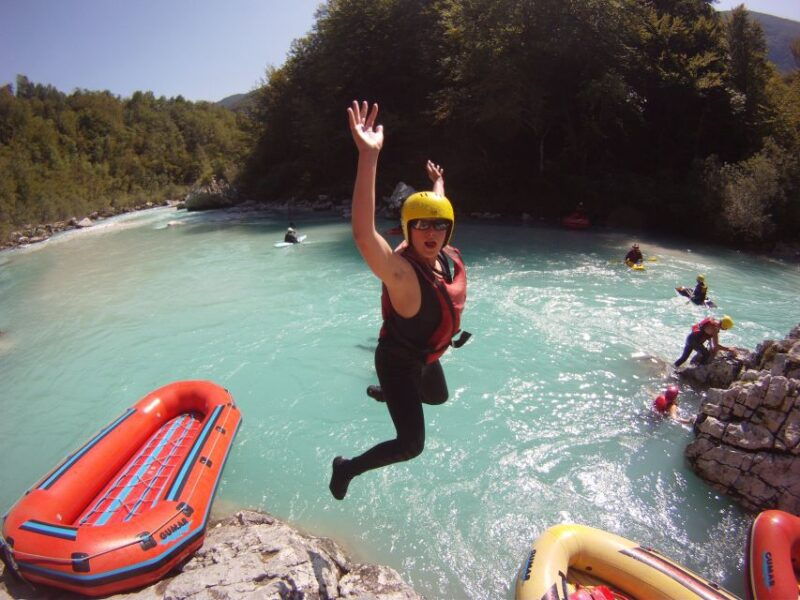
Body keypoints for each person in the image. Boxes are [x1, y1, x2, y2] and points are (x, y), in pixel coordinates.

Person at [329, 100, 470, 500]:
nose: (431, 232)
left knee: (439, 397)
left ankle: (391, 394)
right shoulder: (402, 272)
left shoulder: (442, 252)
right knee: (411, 445)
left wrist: (437, 184)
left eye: (439, 225)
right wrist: (368, 157)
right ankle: (346, 469)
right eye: (420, 225)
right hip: (397, 360)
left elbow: (436, 212)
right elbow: (362, 234)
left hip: (426, 353)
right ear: (408, 229)